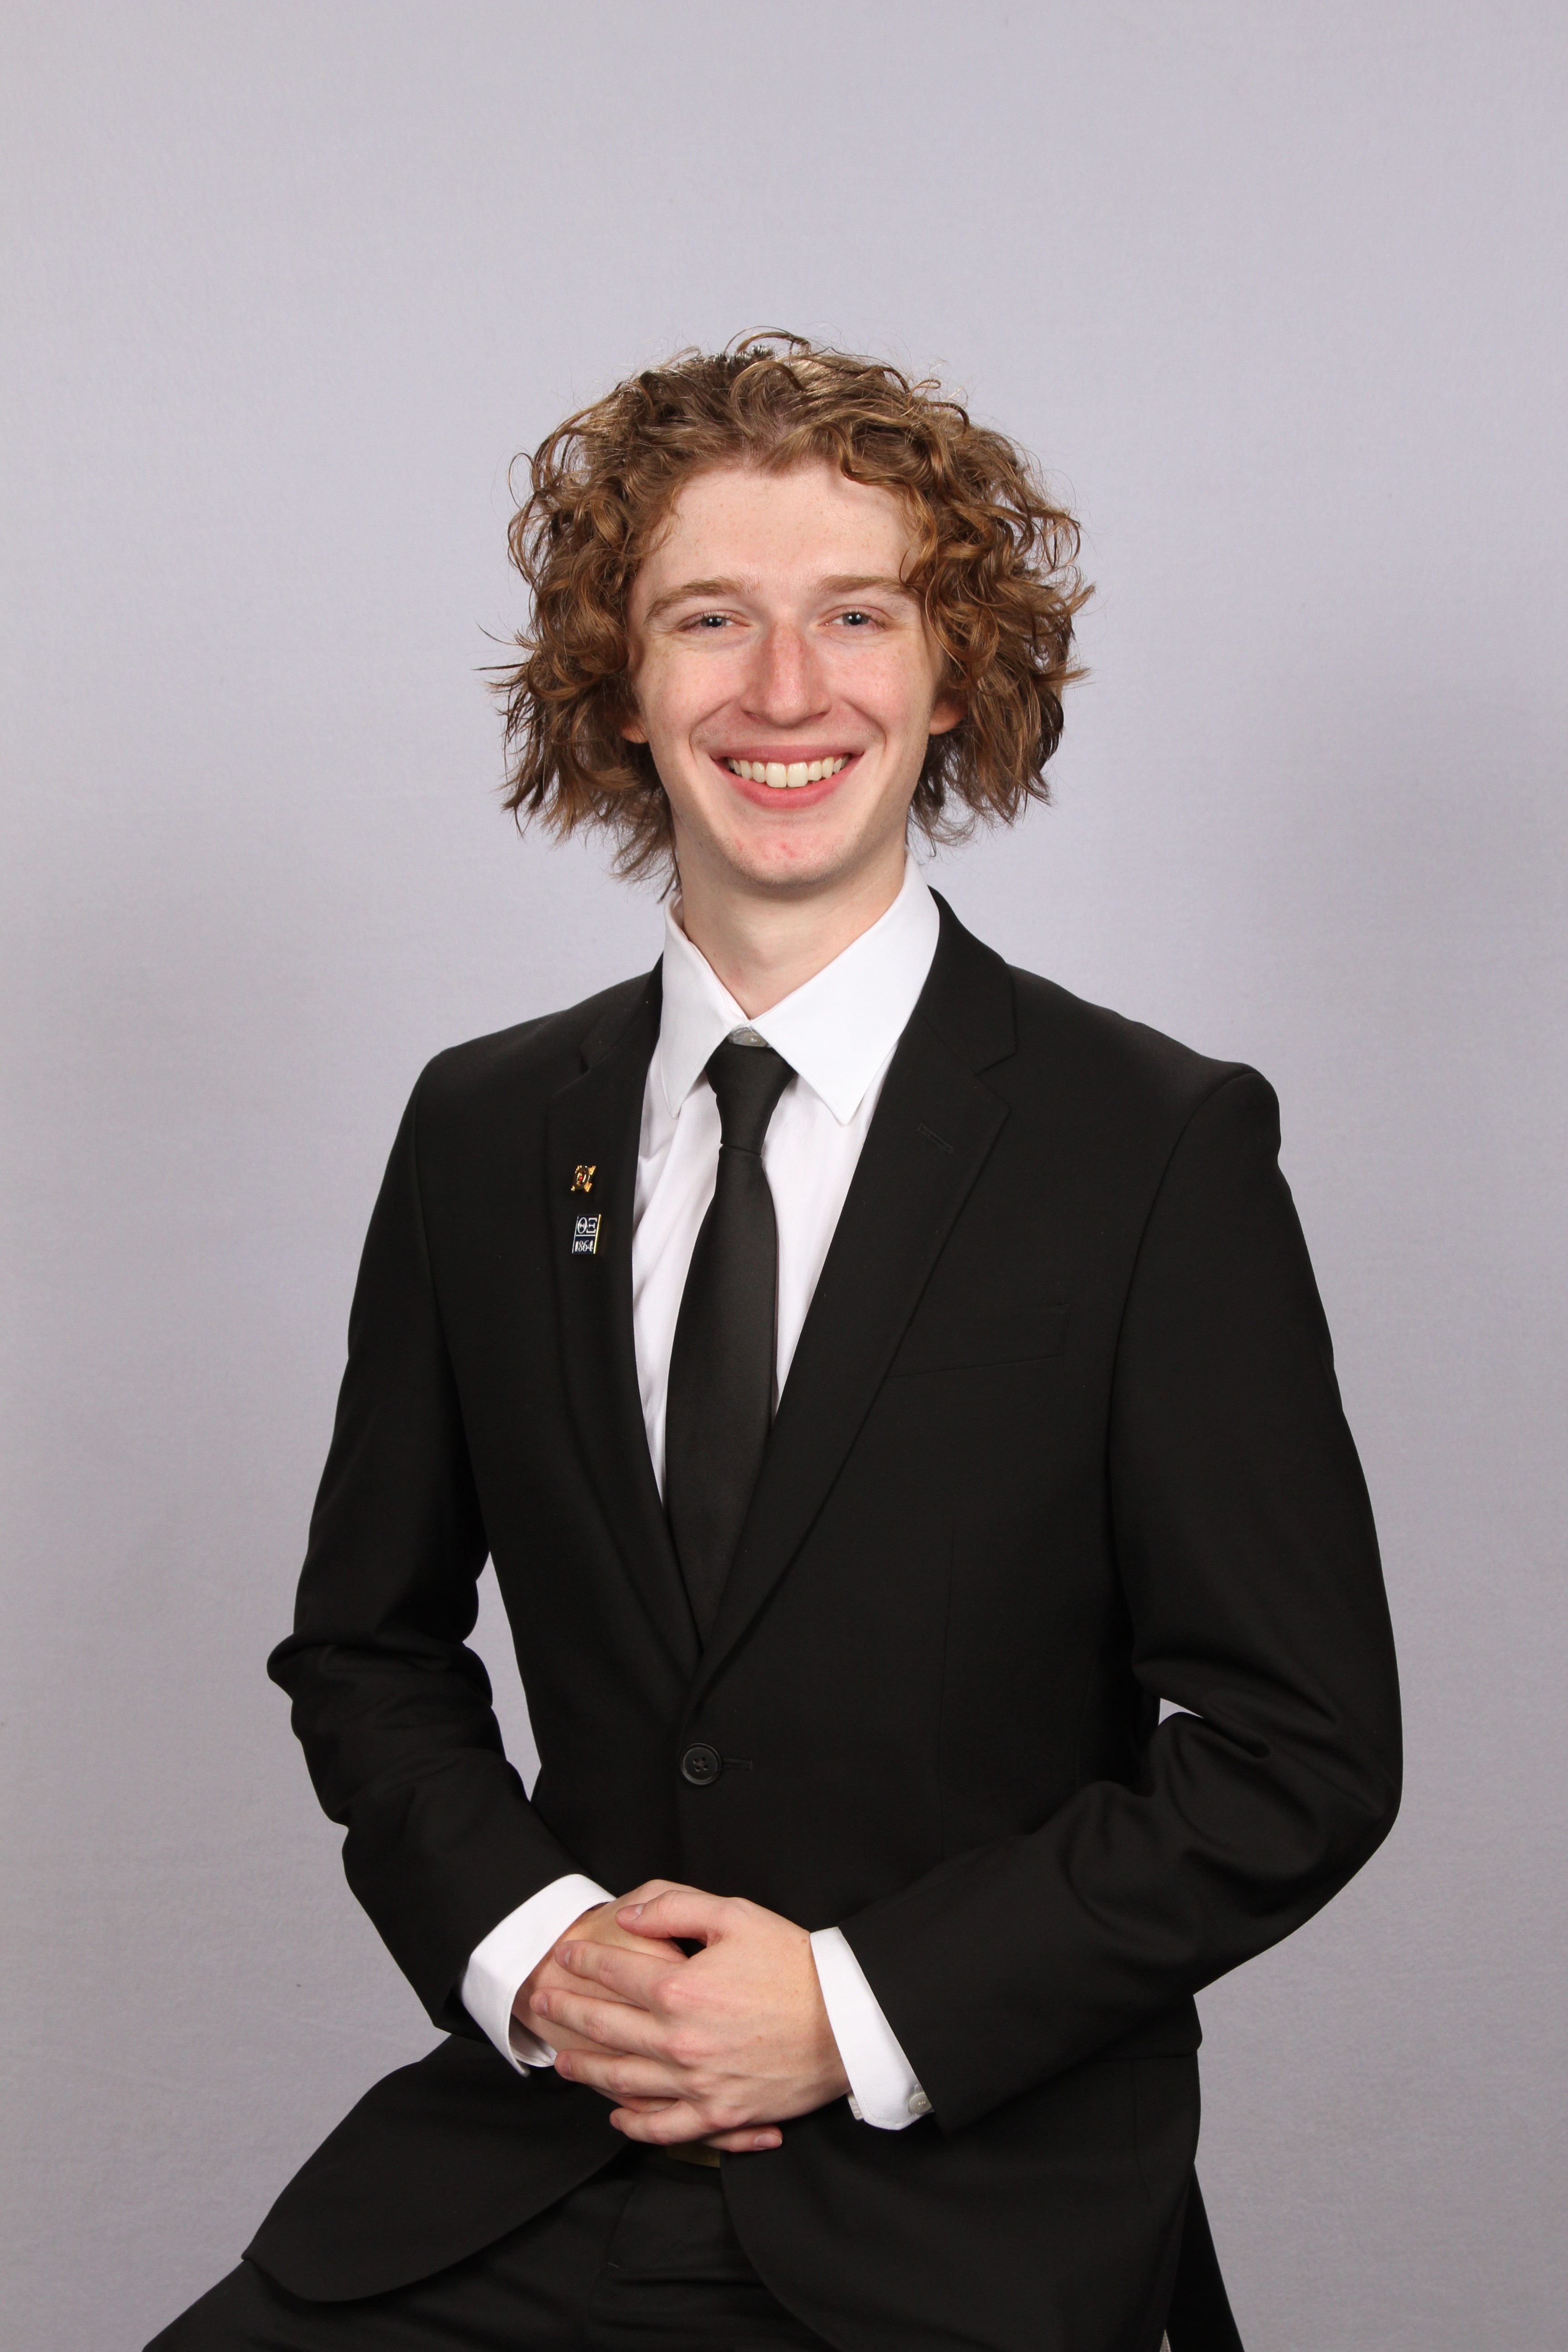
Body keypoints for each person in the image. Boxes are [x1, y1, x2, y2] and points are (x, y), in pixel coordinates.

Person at [149, 336, 1401, 2352]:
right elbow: (367, 1649)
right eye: (710, 618)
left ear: (955, 674)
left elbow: (1299, 1755)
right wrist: (536, 1955)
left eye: (860, 616)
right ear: (618, 685)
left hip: (960, 2204)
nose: (788, 690)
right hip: (536, 2156)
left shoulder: (1154, 1146)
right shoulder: (484, 1129)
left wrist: (848, 2009)